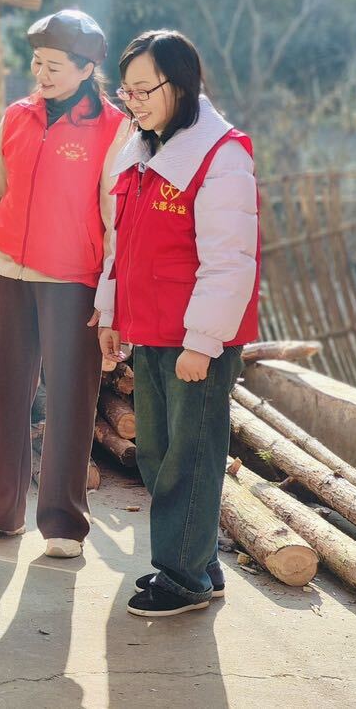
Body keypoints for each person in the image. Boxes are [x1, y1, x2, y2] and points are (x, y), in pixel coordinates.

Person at [96, 30, 259, 617]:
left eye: (145, 89)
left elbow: (230, 260)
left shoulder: (222, 154)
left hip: (196, 342)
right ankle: (200, 564)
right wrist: (111, 314)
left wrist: (203, 342)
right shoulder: (143, 151)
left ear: (181, 84)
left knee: (188, 457)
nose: (132, 101)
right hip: (150, 331)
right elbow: (122, 245)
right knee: (158, 453)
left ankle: (183, 576)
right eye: (127, 90)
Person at [0, 10, 128, 558]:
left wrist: (109, 298)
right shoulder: (16, 116)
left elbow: (116, 218)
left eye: (55, 65)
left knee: (70, 399)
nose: (42, 73)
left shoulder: (114, 127)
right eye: (37, 63)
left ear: (87, 68)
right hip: (12, 272)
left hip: (74, 282)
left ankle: (62, 522)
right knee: (5, 395)